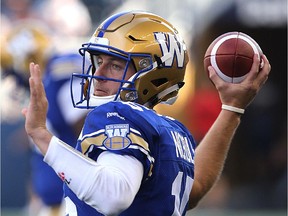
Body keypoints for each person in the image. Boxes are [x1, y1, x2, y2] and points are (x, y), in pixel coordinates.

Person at [22, 11, 271, 215]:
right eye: (98, 62)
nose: (98, 74)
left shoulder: (117, 113)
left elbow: (112, 196)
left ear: (152, 74)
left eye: (116, 65)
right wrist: (232, 109)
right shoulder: (174, 130)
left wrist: (40, 134)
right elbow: (195, 189)